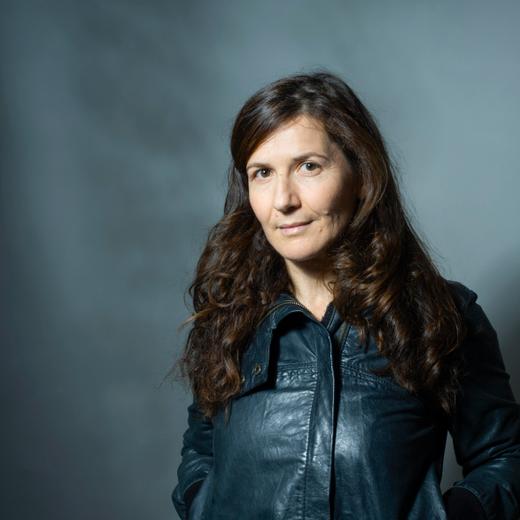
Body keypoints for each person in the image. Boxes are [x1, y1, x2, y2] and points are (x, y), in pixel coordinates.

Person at [169, 70, 520, 519]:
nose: (283, 200)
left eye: (308, 166)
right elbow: (200, 455)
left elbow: (505, 459)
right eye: (263, 173)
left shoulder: (439, 316)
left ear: (361, 176)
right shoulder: (228, 322)